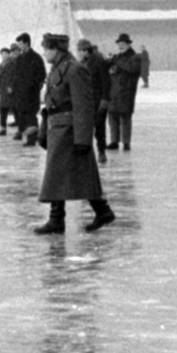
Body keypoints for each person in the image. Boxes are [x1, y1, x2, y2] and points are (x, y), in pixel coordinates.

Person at [35, 33, 116, 234]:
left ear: (56, 50)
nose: (44, 53)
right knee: (74, 174)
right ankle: (100, 211)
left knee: (70, 174)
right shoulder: (57, 68)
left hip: (69, 131)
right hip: (58, 129)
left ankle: (59, 219)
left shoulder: (74, 70)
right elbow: (51, 104)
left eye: (46, 49)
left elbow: (84, 106)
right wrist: (44, 129)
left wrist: (83, 139)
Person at [76, 38, 112, 163]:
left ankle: (101, 151)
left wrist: (105, 100)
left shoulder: (99, 61)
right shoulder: (80, 63)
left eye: (80, 50)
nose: (78, 53)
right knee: (86, 127)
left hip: (98, 100)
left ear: (86, 50)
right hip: (85, 102)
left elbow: (106, 82)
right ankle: (86, 153)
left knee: (99, 127)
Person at [105, 33, 142, 151]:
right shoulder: (117, 57)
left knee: (125, 118)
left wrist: (117, 61)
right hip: (113, 92)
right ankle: (114, 141)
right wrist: (108, 61)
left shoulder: (135, 57)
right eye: (119, 44)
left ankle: (126, 143)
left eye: (122, 44)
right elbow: (105, 69)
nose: (120, 46)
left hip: (126, 92)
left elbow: (132, 69)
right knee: (112, 117)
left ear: (128, 44)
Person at [9, 33, 46, 145]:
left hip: (31, 94)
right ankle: (23, 133)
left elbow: (42, 75)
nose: (19, 46)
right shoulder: (19, 58)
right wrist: (13, 87)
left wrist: (33, 85)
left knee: (30, 116)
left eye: (20, 43)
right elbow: (16, 75)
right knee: (22, 115)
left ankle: (32, 138)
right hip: (20, 94)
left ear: (26, 43)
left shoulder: (36, 58)